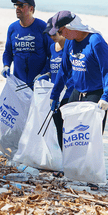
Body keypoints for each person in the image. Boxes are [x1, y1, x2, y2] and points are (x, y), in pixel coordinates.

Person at [48, 11, 108, 134]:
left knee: (90, 136)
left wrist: (106, 96)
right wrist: (55, 95)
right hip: (77, 92)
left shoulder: (96, 41)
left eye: (60, 31)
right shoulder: (69, 41)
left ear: (69, 27)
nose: (59, 35)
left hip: (95, 94)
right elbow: (64, 69)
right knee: (70, 133)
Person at [36, 14, 74, 151]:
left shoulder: (70, 48)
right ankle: (64, 158)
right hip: (55, 92)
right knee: (57, 125)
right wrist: (46, 74)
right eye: (50, 34)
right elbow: (51, 65)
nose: (53, 37)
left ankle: (69, 157)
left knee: (67, 127)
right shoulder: (53, 48)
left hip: (68, 93)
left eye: (56, 33)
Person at [2, 0, 52, 85]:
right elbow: (8, 52)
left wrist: (45, 73)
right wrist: (6, 65)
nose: (17, 8)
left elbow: (53, 54)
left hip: (39, 83)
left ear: (31, 9)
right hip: (18, 83)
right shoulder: (12, 28)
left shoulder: (42, 27)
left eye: (21, 5)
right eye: (16, 5)